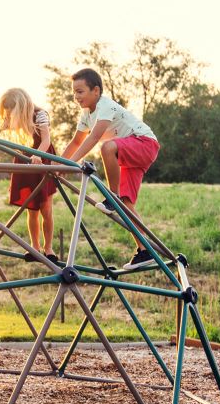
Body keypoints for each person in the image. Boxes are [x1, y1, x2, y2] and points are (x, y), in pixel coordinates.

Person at [61, 67, 160, 270]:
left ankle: (112, 196)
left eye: (80, 91)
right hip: (130, 152)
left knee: (107, 147)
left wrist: (72, 163)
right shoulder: (86, 114)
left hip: (144, 143)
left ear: (95, 91)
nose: (76, 96)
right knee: (127, 204)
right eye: (74, 92)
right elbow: (75, 142)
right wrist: (56, 163)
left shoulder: (105, 106)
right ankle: (144, 251)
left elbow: (94, 137)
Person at [0, 88, 59, 262]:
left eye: (12, 112)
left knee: (46, 208)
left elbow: (46, 139)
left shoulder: (40, 114)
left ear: (22, 108)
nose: (9, 117)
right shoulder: (10, 118)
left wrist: (38, 155)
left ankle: (49, 248)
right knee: (31, 209)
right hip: (25, 160)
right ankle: (35, 247)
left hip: (43, 158)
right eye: (7, 113)